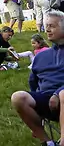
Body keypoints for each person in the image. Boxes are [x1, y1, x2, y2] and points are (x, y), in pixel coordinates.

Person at [11, 9, 64, 146]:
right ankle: (48, 142)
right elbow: (33, 83)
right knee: (18, 97)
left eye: (52, 26)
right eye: (46, 26)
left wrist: (57, 94)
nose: (47, 30)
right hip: (47, 101)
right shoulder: (41, 56)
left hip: (62, 96)